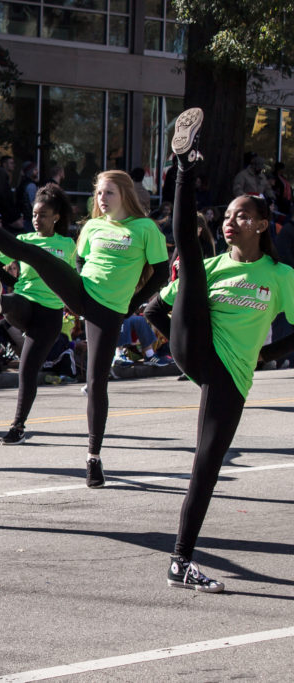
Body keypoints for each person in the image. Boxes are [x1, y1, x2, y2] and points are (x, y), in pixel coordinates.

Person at [144, 109, 294, 593]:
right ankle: (184, 164)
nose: (231, 222)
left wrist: (269, 357)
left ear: (263, 224)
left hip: (231, 376)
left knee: (206, 466)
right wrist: (181, 344)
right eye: (227, 216)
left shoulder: (279, 277)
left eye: (242, 216)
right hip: (195, 348)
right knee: (188, 255)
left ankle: (179, 563)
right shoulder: (211, 268)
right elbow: (151, 310)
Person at [0, 168, 169, 487]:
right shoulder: (91, 226)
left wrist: (133, 304)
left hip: (109, 311)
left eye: (109, 193)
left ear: (125, 195)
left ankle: (93, 458)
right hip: (83, 294)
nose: (102, 199)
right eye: (99, 194)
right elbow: (80, 261)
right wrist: (77, 282)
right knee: (34, 252)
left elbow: (160, 273)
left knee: (96, 383)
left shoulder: (145, 228)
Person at [0, 184, 76, 445]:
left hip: (50, 315)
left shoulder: (67, 244)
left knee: (27, 371)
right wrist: (1, 279)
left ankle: (18, 426)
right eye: (34, 214)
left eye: (42, 215)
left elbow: (76, 278)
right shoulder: (22, 241)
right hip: (23, 302)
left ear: (55, 216)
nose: (36, 219)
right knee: (13, 301)